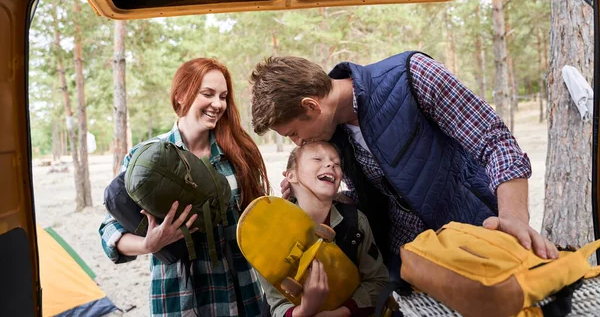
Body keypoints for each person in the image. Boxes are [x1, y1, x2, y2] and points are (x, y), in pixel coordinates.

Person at [249, 51, 559, 283]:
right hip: (408, 268)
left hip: (480, 246)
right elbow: (381, 196)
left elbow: (495, 143)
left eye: (292, 133)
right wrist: (312, 198)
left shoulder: (412, 76)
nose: (297, 143)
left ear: (310, 106)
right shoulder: (333, 137)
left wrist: (514, 218)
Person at [99, 58, 270, 316]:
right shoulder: (145, 157)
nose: (218, 104)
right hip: (179, 300)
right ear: (180, 96)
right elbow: (108, 229)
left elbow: (259, 219)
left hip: (243, 293)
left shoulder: (237, 153)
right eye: (208, 94)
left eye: (223, 96)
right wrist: (148, 244)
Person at [259, 141, 389, 317]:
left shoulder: (356, 222)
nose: (330, 164)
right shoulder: (271, 232)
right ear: (291, 175)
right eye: (317, 159)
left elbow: (377, 281)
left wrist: (341, 313)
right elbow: (277, 304)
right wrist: (306, 309)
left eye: (337, 164)